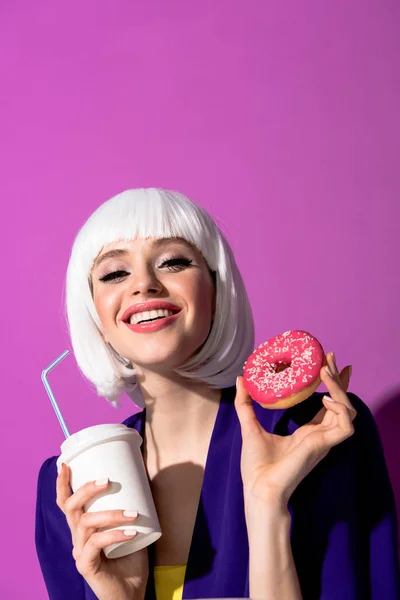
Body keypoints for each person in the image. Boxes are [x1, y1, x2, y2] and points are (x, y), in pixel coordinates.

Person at [35, 188, 400, 600]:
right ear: (96, 317)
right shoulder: (70, 488)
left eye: (173, 261)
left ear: (216, 290)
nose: (144, 285)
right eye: (114, 273)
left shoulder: (312, 433)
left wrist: (267, 508)